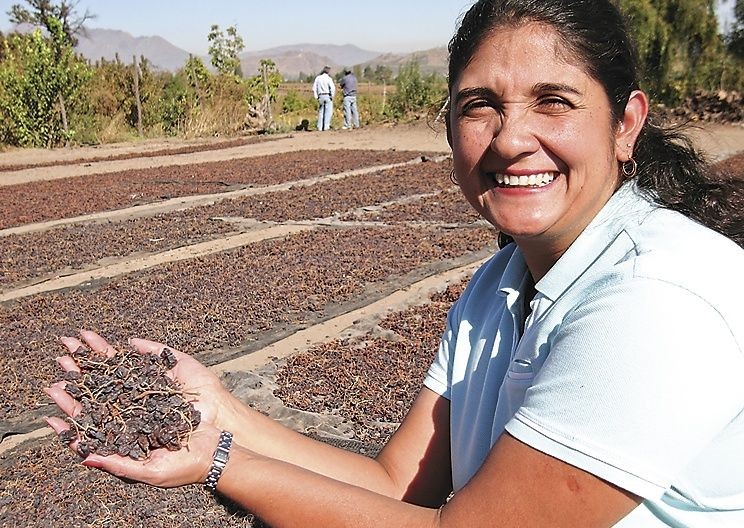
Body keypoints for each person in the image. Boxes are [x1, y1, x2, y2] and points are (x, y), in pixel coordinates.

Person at [46, 1, 744, 526]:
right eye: (480, 108)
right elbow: (393, 486)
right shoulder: (498, 284)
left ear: (626, 124)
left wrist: (221, 464)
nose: (510, 139)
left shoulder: (659, 299)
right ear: (449, 129)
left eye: (553, 102)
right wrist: (223, 415)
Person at [312, 66, 335, 131]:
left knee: (321, 112)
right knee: (328, 112)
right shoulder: (328, 78)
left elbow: (314, 88)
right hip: (327, 95)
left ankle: (319, 127)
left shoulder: (318, 78)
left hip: (320, 96)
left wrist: (316, 97)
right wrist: (332, 96)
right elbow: (332, 88)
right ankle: (326, 127)